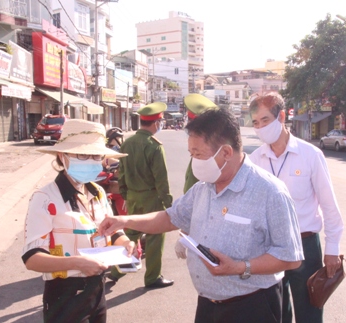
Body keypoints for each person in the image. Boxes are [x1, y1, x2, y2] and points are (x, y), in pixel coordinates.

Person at [99, 108, 304, 322]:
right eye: (191, 154)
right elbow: (170, 217)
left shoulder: (270, 192)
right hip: (208, 304)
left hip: (252, 307)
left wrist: (240, 267)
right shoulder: (204, 188)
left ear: (225, 152)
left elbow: (291, 257)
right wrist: (123, 220)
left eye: (198, 154)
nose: (194, 161)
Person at [21, 119, 136, 323]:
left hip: (97, 291)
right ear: (62, 157)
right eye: (83, 155)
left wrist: (125, 243)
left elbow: (112, 230)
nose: (91, 161)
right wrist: (77, 263)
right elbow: (32, 258)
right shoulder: (45, 198)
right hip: (64, 296)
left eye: (96, 156)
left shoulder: (98, 191)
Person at [248, 93, 344, 323]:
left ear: (281, 116)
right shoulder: (254, 160)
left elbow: (329, 205)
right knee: (275, 313)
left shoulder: (310, 155)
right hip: (269, 248)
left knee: (309, 313)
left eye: (264, 120)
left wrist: (333, 249)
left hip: (305, 245)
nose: (260, 127)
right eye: (255, 123)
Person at [107, 102, 174, 289]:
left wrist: (126, 196)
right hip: (152, 199)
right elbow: (161, 180)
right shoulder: (154, 146)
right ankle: (152, 277)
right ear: (156, 123)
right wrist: (169, 205)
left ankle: (115, 271)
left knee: (130, 235)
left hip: (133, 198)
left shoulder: (127, 143)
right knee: (154, 238)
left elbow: (122, 174)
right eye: (160, 121)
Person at [175, 94, 218, 260]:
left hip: (204, 231)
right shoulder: (206, 153)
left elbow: (197, 201)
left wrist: (184, 234)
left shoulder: (205, 159)